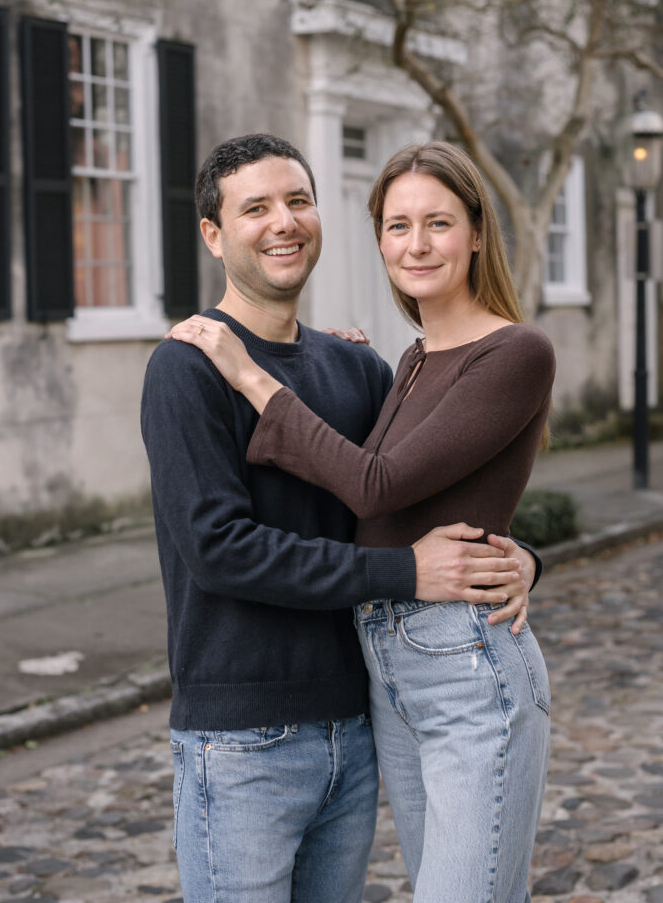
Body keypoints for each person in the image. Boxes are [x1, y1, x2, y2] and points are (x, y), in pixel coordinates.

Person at [144, 133, 542, 903]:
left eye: (297, 201)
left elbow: (398, 496)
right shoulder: (188, 366)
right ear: (213, 235)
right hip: (241, 739)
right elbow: (219, 551)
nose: (282, 222)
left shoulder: (359, 367)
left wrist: (515, 554)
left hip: (354, 728)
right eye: (254, 207)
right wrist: (407, 571)